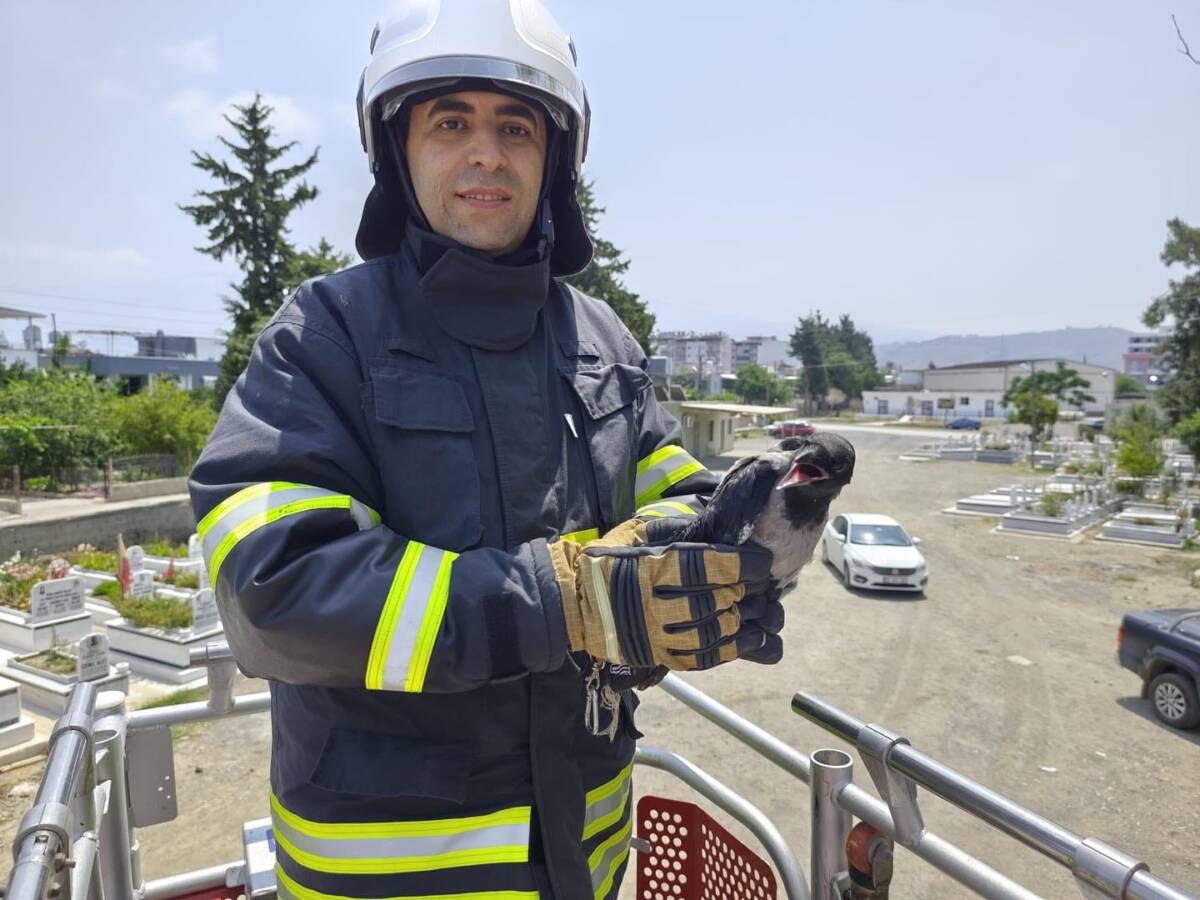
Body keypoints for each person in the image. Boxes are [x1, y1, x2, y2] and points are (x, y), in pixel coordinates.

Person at [189, 2, 784, 897]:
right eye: (450, 123)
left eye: (516, 127)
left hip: (587, 853)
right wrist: (567, 602)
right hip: (385, 875)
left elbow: (677, 497)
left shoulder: (602, 341)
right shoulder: (324, 335)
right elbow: (272, 587)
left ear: (555, 159)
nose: (487, 154)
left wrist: (736, 547)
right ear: (397, 151)